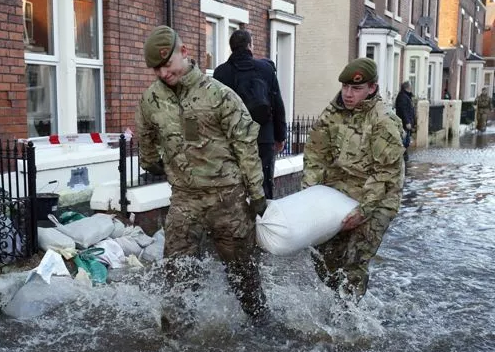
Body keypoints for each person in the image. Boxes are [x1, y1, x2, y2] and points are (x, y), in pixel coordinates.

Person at [135, 25, 269, 334]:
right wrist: (156, 165)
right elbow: (146, 142)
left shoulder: (219, 94)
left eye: (166, 65)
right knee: (177, 271)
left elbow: (245, 146)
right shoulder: (150, 100)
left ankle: (261, 323)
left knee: (242, 271)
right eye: (156, 69)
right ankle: (176, 337)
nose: (162, 74)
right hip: (184, 200)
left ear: (184, 53)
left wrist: (257, 194)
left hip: (228, 200)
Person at [302, 58, 405, 303]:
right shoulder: (333, 112)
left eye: (356, 89)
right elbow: (316, 153)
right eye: (345, 87)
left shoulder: (383, 120)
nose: (348, 94)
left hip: (378, 198)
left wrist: (363, 211)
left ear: (372, 88)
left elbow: (385, 174)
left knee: (354, 261)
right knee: (323, 256)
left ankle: (351, 323)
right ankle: (337, 301)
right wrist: (309, 195)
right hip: (339, 191)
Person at [213, 29, 287, 200]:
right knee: (264, 186)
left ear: (231, 48)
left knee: (235, 186)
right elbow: (277, 104)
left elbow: (215, 109)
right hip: (263, 138)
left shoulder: (221, 73)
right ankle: (264, 222)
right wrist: (280, 136)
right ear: (250, 46)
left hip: (233, 140)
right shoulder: (266, 70)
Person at [395, 81, 415, 162]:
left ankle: (404, 157)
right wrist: (407, 122)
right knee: (404, 141)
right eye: (411, 86)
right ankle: (402, 157)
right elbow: (404, 111)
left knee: (406, 141)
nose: (411, 88)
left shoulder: (406, 96)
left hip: (406, 123)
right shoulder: (402, 97)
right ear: (408, 87)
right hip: (404, 124)